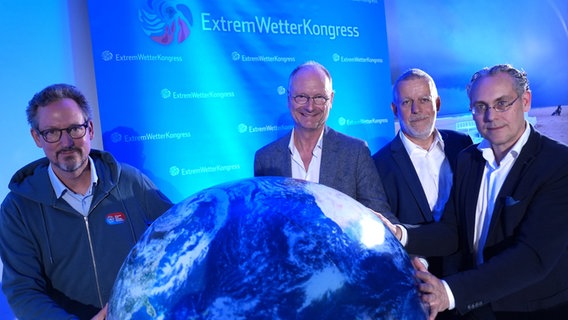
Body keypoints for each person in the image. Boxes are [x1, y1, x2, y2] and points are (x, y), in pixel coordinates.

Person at [380, 64, 568, 319]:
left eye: (502, 103)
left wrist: (449, 291)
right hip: (476, 310)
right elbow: (452, 231)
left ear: (525, 101)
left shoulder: (558, 163)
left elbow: (532, 257)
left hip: (532, 310)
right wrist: (400, 234)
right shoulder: (468, 159)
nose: (491, 116)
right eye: (480, 107)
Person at [0, 84, 173, 320]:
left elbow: (176, 240)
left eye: (74, 129)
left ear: (90, 129)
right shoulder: (17, 208)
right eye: (52, 132)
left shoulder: (131, 182)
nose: (66, 142)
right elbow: (22, 291)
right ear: (37, 137)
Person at [254, 61, 395, 220]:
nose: (310, 107)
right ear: (289, 99)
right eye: (301, 97)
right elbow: (264, 225)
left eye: (319, 97)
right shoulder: (265, 159)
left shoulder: (355, 152)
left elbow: (379, 219)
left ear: (331, 99)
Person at [372, 68, 472, 278]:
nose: (416, 109)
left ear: (437, 103)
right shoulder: (378, 164)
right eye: (406, 102)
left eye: (424, 100)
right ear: (394, 110)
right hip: (419, 279)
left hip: (470, 274)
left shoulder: (462, 145)